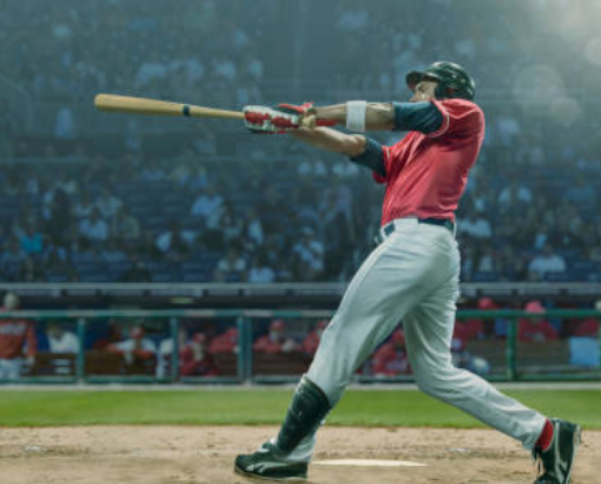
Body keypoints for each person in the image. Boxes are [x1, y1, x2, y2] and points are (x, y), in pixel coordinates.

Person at [236, 61, 580, 483]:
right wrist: (290, 127)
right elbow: (353, 146)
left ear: (448, 89)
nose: (416, 92)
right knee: (436, 374)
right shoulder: (414, 145)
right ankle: (546, 434)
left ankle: (289, 452)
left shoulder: (464, 113)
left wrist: (317, 112)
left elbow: (387, 113)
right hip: (430, 251)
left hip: (415, 243)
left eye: (423, 87)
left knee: (341, 338)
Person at [0, 292, 37, 380]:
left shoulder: (24, 318)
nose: (11, 303)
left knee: (14, 390)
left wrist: (30, 355)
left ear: (18, 303)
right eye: (8, 301)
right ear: (4, 302)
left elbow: (31, 339)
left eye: (13, 301)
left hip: (15, 360)